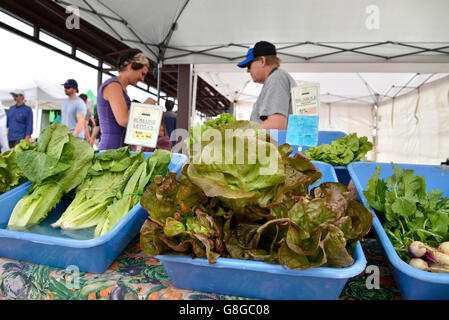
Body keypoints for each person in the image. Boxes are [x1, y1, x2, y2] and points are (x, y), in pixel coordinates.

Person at [96, 48, 156, 150]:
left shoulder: (122, 90)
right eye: (142, 74)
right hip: (111, 149)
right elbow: (124, 120)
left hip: (119, 148)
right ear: (131, 67)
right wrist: (144, 106)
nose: (142, 79)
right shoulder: (113, 86)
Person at [237, 41, 297, 130]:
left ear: (262, 61)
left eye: (249, 65)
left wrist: (245, 135)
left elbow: (276, 125)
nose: (248, 70)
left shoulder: (276, 79)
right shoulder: (275, 78)